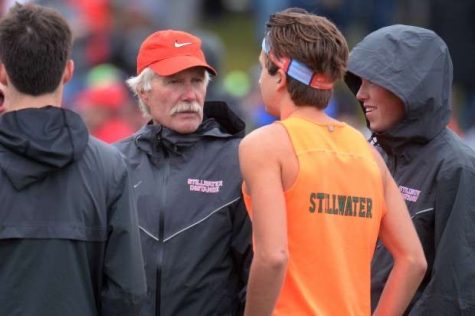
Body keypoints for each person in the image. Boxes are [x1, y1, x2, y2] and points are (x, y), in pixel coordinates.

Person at [239, 8, 427, 316]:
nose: (260, 79)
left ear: (280, 76)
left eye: (262, 69)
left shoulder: (264, 145)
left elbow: (273, 257)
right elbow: (412, 260)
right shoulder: (367, 152)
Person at [0, 3, 146, 316]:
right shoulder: (110, 166)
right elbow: (127, 292)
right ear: (68, 71)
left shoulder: (109, 165)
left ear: (2, 71)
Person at [114, 29, 252, 315]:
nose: (189, 95)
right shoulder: (113, 163)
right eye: (175, 82)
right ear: (143, 91)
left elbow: (256, 271)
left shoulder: (240, 160)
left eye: (197, 81)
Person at [345, 24, 475, 315]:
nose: (360, 94)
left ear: (410, 86)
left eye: (371, 81)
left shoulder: (457, 169)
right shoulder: (372, 156)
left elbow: (454, 292)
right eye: (358, 82)